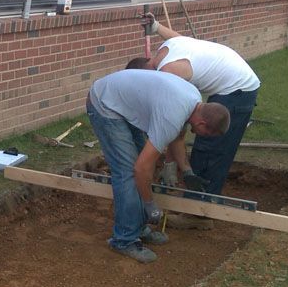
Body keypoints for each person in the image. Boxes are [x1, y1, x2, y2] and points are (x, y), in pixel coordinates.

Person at [87, 69, 230, 263]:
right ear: (202, 123)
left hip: (121, 102)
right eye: (206, 134)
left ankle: (137, 228)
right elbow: (140, 169)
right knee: (129, 172)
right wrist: (150, 204)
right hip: (105, 104)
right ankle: (124, 239)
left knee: (144, 166)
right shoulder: (172, 116)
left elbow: (178, 137)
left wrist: (187, 172)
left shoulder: (194, 100)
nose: (200, 136)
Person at [126, 14, 260, 198]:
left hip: (237, 90)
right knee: (209, 147)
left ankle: (199, 214)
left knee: (209, 150)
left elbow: (175, 123)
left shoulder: (169, 74)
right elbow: (178, 38)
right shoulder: (165, 50)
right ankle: (199, 205)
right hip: (236, 81)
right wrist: (156, 27)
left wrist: (170, 165)